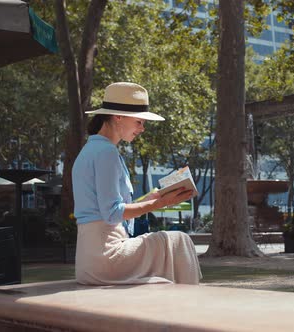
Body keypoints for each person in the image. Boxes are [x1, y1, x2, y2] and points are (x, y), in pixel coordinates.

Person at [72, 82, 201, 285]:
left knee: (174, 240)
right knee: (179, 240)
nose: (142, 129)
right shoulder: (107, 153)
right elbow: (112, 213)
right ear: (118, 116)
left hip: (89, 260)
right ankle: (190, 304)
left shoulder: (91, 150)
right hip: (107, 257)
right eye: (139, 122)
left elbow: (106, 208)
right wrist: (160, 203)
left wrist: (151, 198)